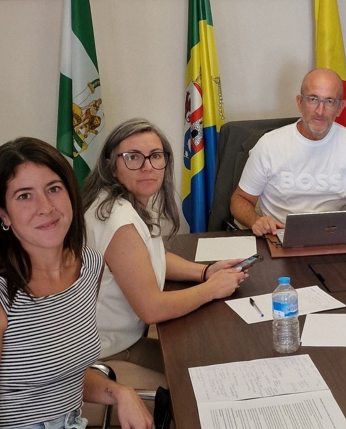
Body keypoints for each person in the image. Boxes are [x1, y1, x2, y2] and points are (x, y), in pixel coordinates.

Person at [0, 137, 182, 429]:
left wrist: (119, 393)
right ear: (3, 214)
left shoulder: (88, 266)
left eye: (54, 189)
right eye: (24, 196)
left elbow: (56, 373)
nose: (46, 207)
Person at [82, 118, 248, 375]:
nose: (147, 167)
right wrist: (211, 290)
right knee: (208, 373)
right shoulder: (119, 220)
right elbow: (152, 308)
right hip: (106, 355)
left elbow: (151, 257)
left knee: (211, 356)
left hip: (118, 341)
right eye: (133, 157)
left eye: (155, 156)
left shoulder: (118, 201)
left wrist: (205, 272)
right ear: (112, 166)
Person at [230, 68, 346, 243]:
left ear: (340, 107)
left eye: (329, 101)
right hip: (278, 237)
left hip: (333, 240)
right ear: (300, 103)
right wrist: (256, 221)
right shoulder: (269, 144)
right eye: (313, 99)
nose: (320, 111)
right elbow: (239, 200)